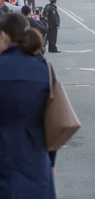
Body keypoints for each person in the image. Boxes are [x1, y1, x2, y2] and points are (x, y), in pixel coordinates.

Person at [0, 12, 57, 198]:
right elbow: (53, 121)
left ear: (4, 35)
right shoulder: (44, 70)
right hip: (35, 160)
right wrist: (51, 163)